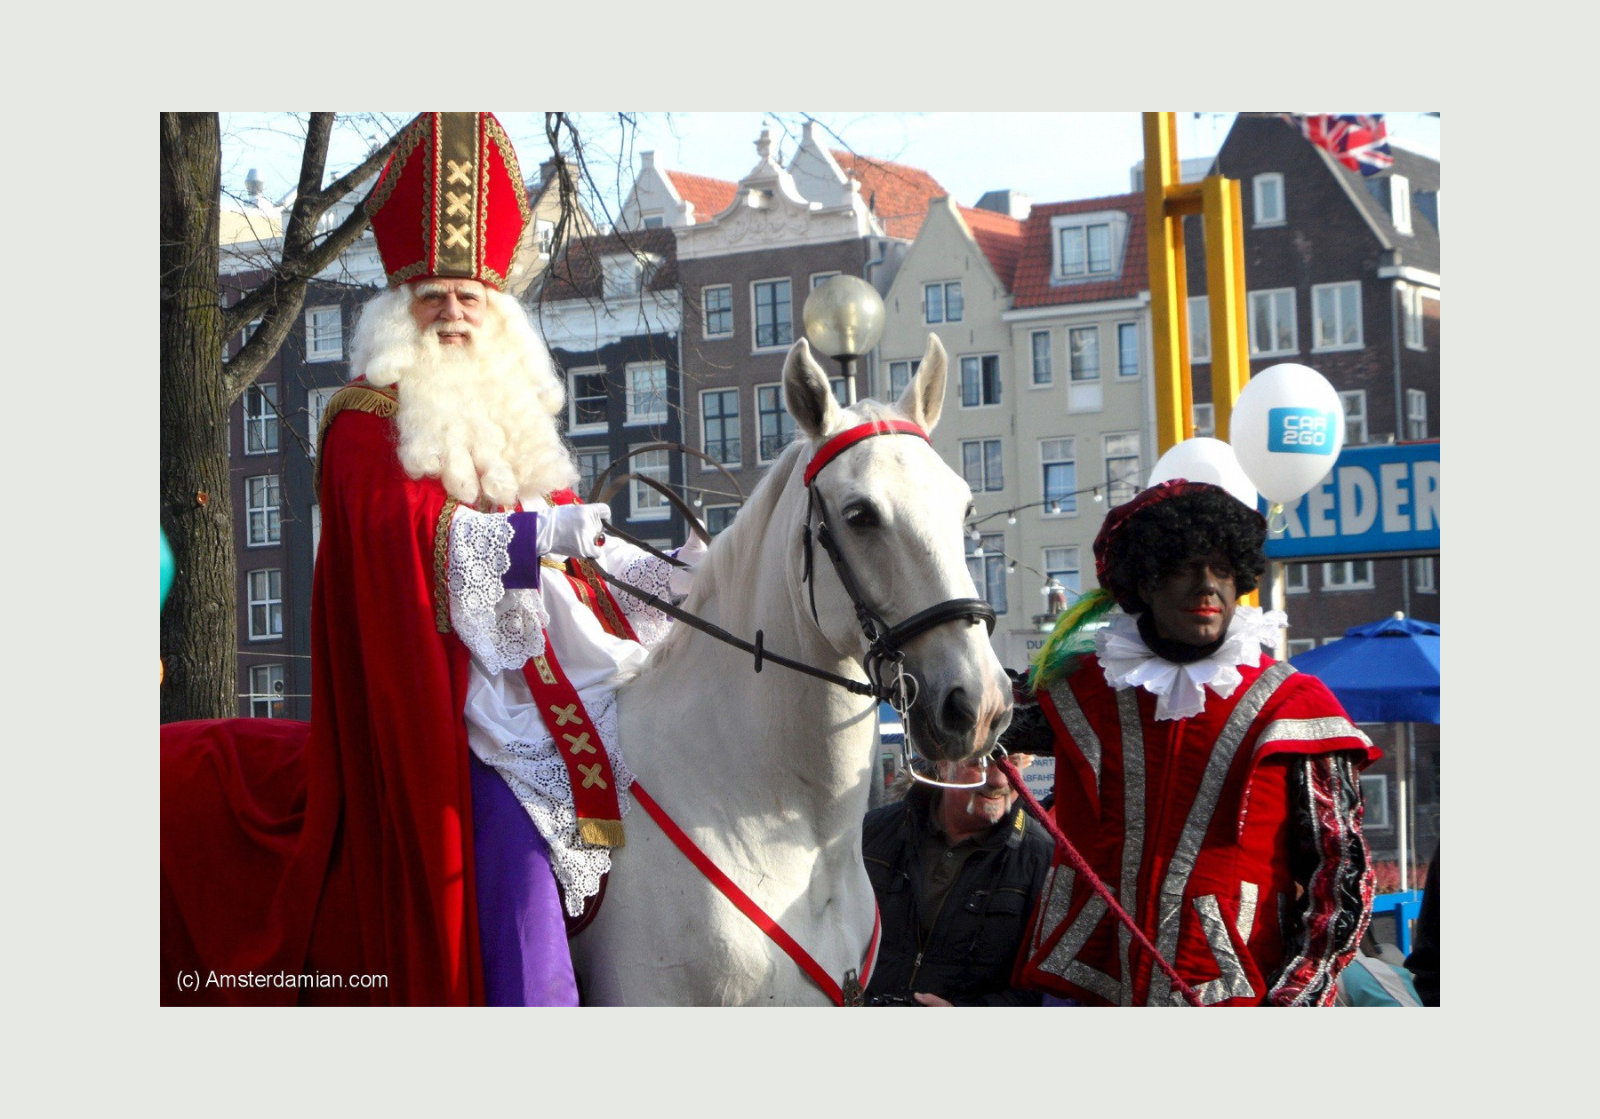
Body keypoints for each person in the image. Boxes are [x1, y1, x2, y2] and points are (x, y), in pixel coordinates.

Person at [160, 112, 701, 1005]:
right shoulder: (365, 421)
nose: (454, 311)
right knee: (523, 864)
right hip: (452, 727)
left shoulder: (516, 426)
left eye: (472, 296)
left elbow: (588, 574)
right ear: (399, 306)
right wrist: (538, 540)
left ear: (499, 312)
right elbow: (411, 551)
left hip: (558, 705)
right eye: (436, 293)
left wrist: (685, 579)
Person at [1010, 480, 1380, 1006]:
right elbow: (966, 717)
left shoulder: (1293, 705)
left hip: (1235, 994)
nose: (1208, 587)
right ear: (1144, 581)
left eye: (1224, 570)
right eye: (1185, 567)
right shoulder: (1079, 688)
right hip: (1089, 986)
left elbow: (1340, 875)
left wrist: (1297, 996)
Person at [861, 745, 1053, 1006]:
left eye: (1014, 762)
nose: (999, 779)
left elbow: (1042, 991)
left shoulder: (1042, 858)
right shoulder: (872, 832)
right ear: (941, 762)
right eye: (980, 762)